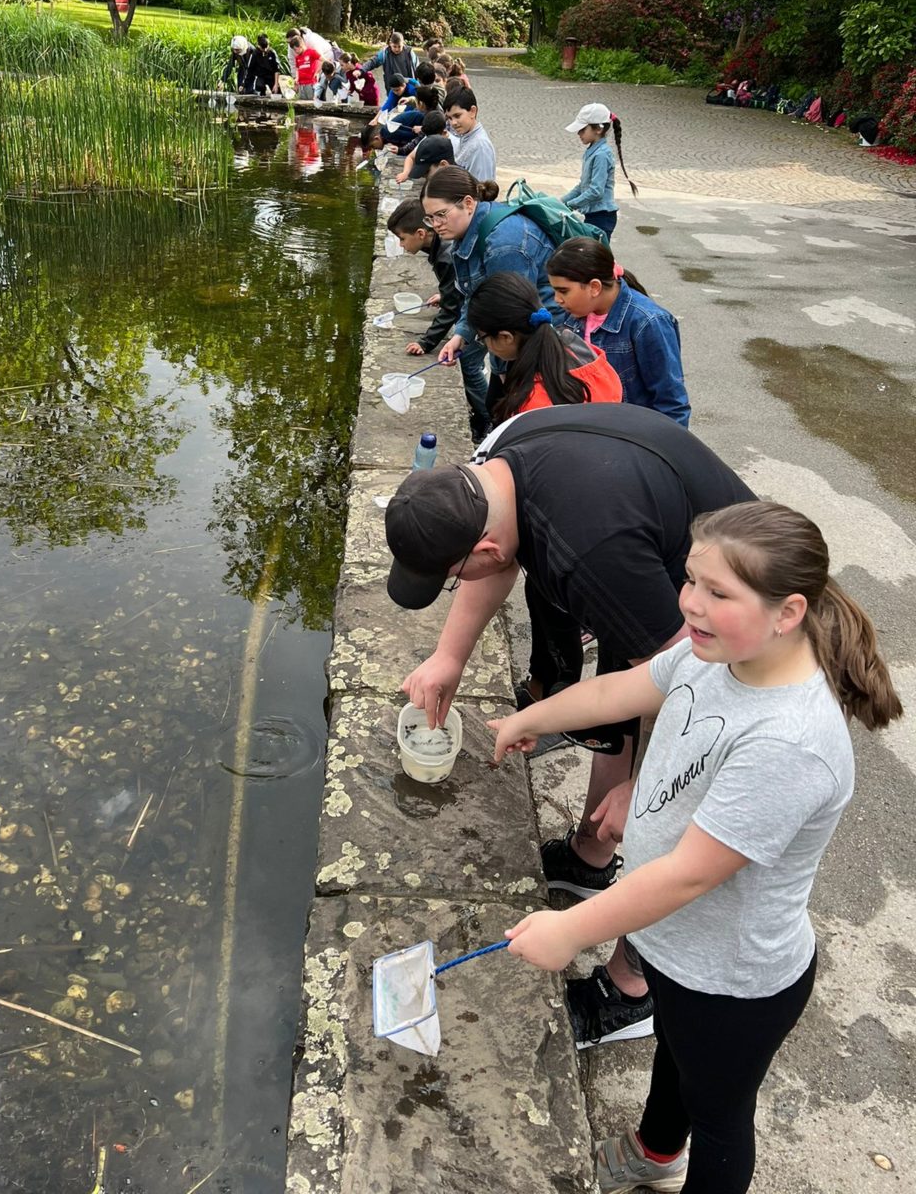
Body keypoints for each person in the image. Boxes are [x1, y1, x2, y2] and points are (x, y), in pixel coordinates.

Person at [490, 500, 901, 1194]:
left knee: (718, 1118)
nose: (692, 604)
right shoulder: (716, 651)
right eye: (690, 581)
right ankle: (655, 1154)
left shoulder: (792, 742)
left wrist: (570, 929)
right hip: (673, 946)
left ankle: (677, 1159)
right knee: (672, 1060)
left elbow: (688, 875)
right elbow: (627, 688)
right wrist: (531, 716)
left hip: (733, 977)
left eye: (717, 592)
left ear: (789, 612)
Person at [385, 403, 757, 1048]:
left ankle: (632, 988)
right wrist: (449, 657)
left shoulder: (590, 552)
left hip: (734, 622)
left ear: (482, 546)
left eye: (449, 578)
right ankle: (590, 859)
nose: (455, 583)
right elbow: (499, 564)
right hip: (660, 579)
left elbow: (697, 690)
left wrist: (649, 787)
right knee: (624, 697)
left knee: (666, 822)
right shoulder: (500, 462)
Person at [424, 165, 556, 443]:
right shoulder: (468, 232)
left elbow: (511, 319)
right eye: (429, 218)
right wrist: (461, 334)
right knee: (498, 409)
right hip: (513, 333)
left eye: (441, 215)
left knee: (518, 420)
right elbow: (476, 292)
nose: (436, 225)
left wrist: (506, 371)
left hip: (543, 331)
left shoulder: (504, 244)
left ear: (468, 203)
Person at [547, 239, 690, 426]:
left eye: (563, 291)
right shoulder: (574, 316)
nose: (557, 299)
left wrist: (659, 452)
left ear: (595, 287)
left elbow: (672, 404)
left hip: (631, 439)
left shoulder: (648, 322)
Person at [466, 272, 622, 420]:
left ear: (506, 337)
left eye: (482, 338)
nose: (485, 344)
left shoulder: (531, 406)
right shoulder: (583, 350)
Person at [385, 200, 460, 357]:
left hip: (484, 312)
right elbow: (455, 285)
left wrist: (426, 343)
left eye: (402, 239)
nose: (401, 245)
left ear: (421, 233)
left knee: (470, 365)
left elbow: (450, 309)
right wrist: (445, 295)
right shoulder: (441, 242)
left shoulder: (446, 258)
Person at [561, 103, 638, 238]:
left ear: (598, 129)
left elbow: (596, 191)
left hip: (602, 218)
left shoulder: (601, 155)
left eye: (582, 129)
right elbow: (582, 186)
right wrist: (560, 202)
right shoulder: (591, 151)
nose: (579, 133)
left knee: (592, 257)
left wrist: (571, 205)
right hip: (593, 215)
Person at [446, 89, 497, 179]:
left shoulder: (480, 146)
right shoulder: (465, 136)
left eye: (457, 116)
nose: (453, 122)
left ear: (473, 111)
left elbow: (482, 188)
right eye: (449, 118)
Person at [393, 111, 451, 184]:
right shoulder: (427, 139)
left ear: (444, 133)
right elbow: (410, 157)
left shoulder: (452, 144)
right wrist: (406, 173)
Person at [291, 34, 322, 99]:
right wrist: (296, 78)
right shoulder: (297, 57)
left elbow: (324, 61)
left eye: (295, 49)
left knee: (311, 103)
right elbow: (297, 69)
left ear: (301, 46)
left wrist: (317, 72)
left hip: (310, 84)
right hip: (300, 85)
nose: (295, 52)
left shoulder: (311, 52)